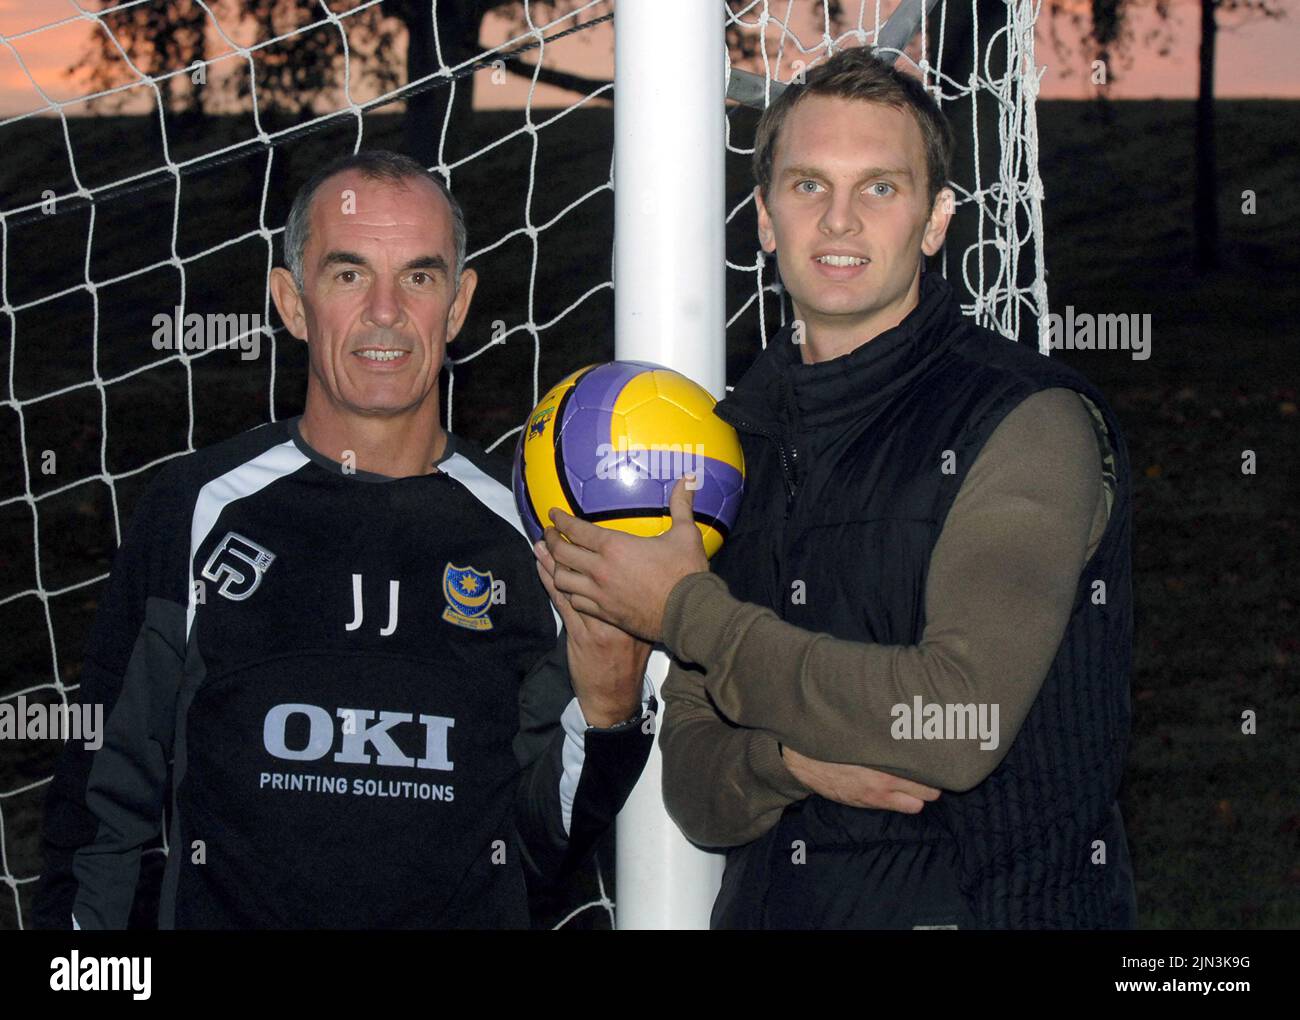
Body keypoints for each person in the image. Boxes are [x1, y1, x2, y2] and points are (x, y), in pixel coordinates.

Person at [535, 47, 1137, 928]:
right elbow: (698, 789)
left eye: (881, 188)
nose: (841, 221)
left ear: (937, 222)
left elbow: (959, 724)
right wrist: (790, 763)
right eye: (809, 186)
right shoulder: (731, 442)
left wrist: (688, 614)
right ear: (766, 220)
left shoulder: (1027, 421)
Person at [33, 149, 654, 929]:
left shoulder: (531, 533)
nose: (387, 312)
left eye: (419, 278)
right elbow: (101, 809)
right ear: (292, 303)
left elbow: (543, 852)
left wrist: (608, 714)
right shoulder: (197, 509)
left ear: (458, 306)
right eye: (350, 274)